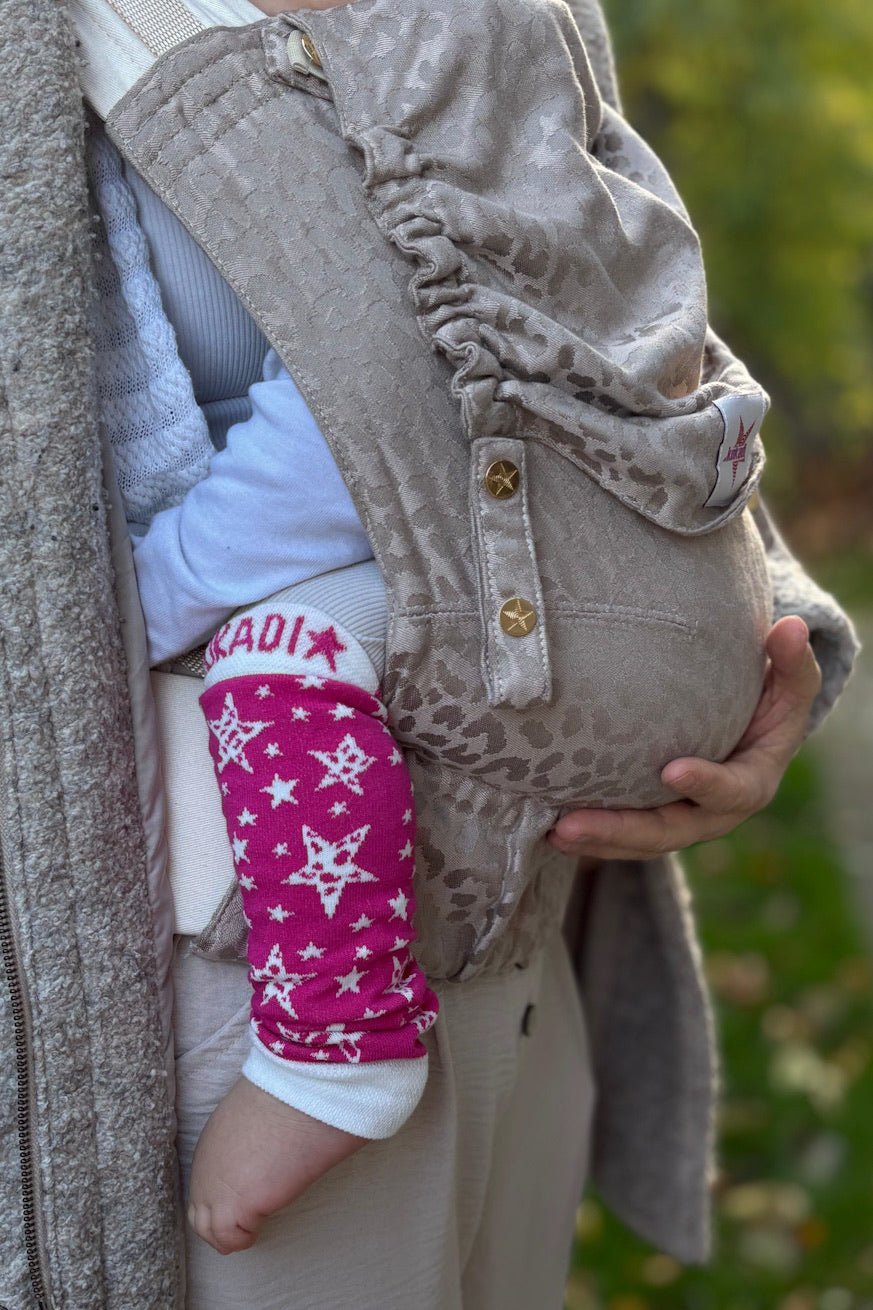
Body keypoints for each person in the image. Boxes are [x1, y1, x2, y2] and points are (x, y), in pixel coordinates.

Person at [0, 0, 859, 1307]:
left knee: (277, 654)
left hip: (502, 908)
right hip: (201, 959)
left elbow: (608, 311)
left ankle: (338, 1044)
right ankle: (332, 1037)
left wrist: (745, 618)